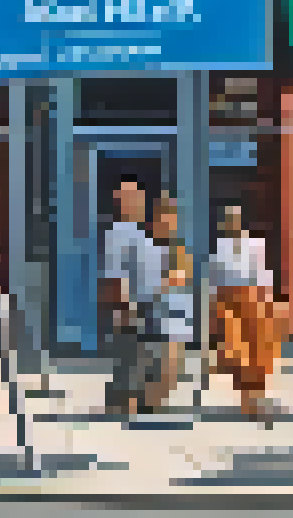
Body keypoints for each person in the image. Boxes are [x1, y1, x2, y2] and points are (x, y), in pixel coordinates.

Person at [209, 200, 284, 423]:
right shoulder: (219, 249)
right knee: (237, 355)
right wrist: (215, 309)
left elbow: (265, 276)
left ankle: (257, 398)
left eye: (234, 219)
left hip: (255, 303)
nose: (230, 224)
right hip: (230, 305)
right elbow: (214, 282)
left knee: (258, 355)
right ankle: (247, 402)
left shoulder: (255, 245)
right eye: (227, 220)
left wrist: (271, 304)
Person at [99, 174, 164, 419]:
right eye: (128, 197)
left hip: (147, 303)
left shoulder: (138, 231)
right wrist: (123, 307)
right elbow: (115, 274)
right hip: (133, 304)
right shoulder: (119, 232)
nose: (135, 202)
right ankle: (126, 404)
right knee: (131, 356)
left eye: (137, 196)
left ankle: (130, 402)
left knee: (141, 356)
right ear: (119, 201)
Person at [144, 196, 197, 413]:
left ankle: (154, 403)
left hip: (177, 314)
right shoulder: (149, 246)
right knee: (161, 363)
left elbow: (184, 278)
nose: (167, 220)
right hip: (157, 314)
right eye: (163, 216)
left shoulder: (179, 248)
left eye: (171, 216)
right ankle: (150, 404)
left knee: (173, 366)